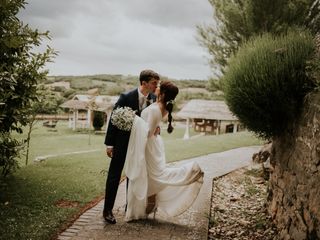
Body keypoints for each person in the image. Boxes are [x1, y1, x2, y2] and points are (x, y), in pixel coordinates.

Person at [124, 80, 204, 221]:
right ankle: (147, 207)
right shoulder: (163, 107)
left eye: (159, 87)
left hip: (148, 145)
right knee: (150, 176)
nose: (157, 87)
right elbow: (152, 126)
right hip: (153, 144)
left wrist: (134, 119)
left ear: (164, 93)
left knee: (155, 176)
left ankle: (189, 171)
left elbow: (147, 132)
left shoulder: (156, 109)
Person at [103, 69, 160, 224]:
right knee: (114, 176)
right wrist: (110, 144)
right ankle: (107, 210)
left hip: (140, 145)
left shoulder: (154, 99)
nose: (156, 86)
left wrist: (156, 127)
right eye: (154, 83)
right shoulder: (126, 97)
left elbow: (153, 120)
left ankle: (131, 208)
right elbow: (114, 120)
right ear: (144, 83)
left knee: (134, 175)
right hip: (122, 144)